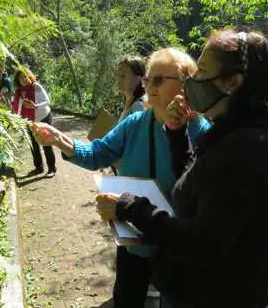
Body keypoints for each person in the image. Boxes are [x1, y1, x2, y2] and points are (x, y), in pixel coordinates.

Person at [96, 30, 268, 307]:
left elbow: (202, 245)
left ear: (232, 82)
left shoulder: (247, 153)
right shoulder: (237, 133)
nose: (193, 82)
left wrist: (131, 207)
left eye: (201, 72)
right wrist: (178, 138)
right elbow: (204, 186)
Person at [30, 48, 211, 308]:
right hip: (133, 240)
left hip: (174, 244)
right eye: (149, 79)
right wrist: (58, 139)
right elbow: (98, 153)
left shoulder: (202, 131)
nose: (150, 85)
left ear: (186, 84)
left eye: (160, 79)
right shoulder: (136, 122)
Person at [11, 68, 56, 178]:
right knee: (33, 144)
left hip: (43, 117)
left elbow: (47, 101)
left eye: (26, 76)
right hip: (29, 120)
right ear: (18, 80)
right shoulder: (18, 92)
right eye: (22, 77)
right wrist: (15, 121)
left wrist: (36, 106)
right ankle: (38, 168)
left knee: (46, 143)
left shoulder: (36, 86)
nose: (25, 79)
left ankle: (52, 168)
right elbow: (16, 109)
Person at [116, 55, 147, 121]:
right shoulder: (129, 104)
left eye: (123, 76)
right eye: (118, 75)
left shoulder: (138, 107)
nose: (119, 80)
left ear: (138, 79)